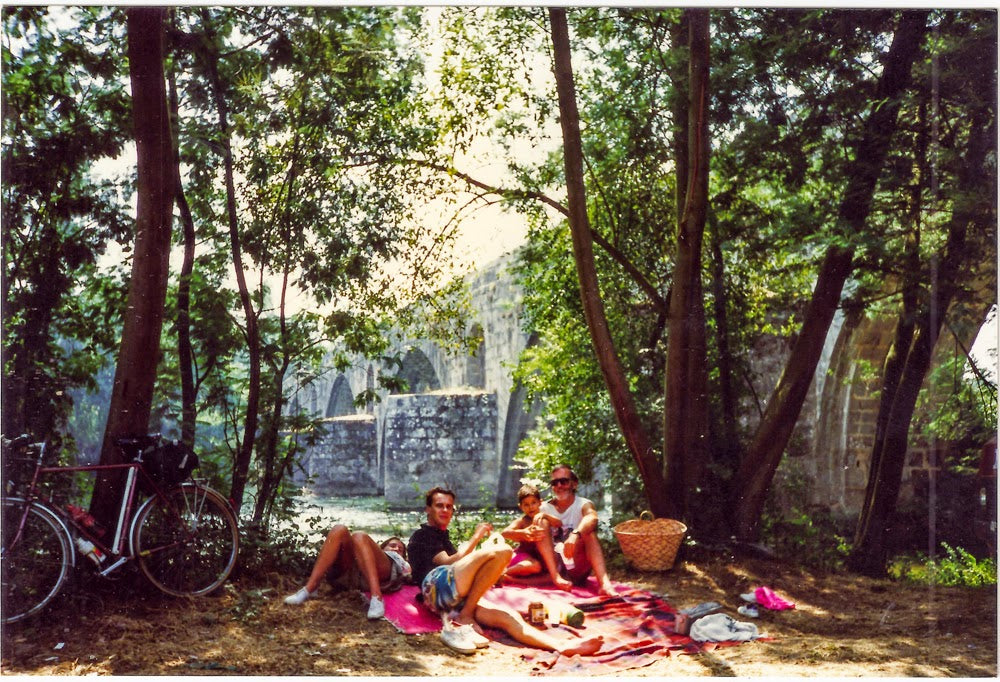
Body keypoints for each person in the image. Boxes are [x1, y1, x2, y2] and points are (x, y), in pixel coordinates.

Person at [408, 486, 604, 656]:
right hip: (433, 588)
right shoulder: (422, 535)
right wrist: (476, 537)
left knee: (508, 617)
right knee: (503, 551)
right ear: (428, 509)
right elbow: (450, 564)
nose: (445, 510)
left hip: (451, 600)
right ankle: (466, 615)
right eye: (439, 505)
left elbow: (458, 569)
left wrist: (487, 574)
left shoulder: (443, 537)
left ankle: (561, 646)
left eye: (449, 506)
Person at [284, 524, 411, 620]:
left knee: (359, 535)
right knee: (340, 529)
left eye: (400, 549)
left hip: (383, 573)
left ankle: (376, 597)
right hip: (355, 572)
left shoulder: (400, 561)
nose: (396, 549)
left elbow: (409, 575)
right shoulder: (369, 549)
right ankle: (310, 588)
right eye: (393, 545)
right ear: (381, 547)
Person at [539, 464, 615, 596]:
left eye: (564, 481)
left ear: (574, 484)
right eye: (555, 482)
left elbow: (592, 517)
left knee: (588, 533)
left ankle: (605, 584)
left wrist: (575, 534)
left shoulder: (583, 504)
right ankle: (556, 577)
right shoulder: (543, 508)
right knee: (541, 523)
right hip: (553, 566)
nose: (559, 486)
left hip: (576, 564)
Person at [500, 483, 573, 591]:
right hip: (528, 558)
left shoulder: (544, 517)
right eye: (526, 505)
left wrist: (545, 515)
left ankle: (511, 580)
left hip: (545, 558)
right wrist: (523, 533)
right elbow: (504, 533)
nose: (531, 507)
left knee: (548, 578)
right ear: (521, 507)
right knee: (535, 566)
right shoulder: (522, 521)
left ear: (540, 502)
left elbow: (559, 523)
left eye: (533, 503)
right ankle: (502, 573)